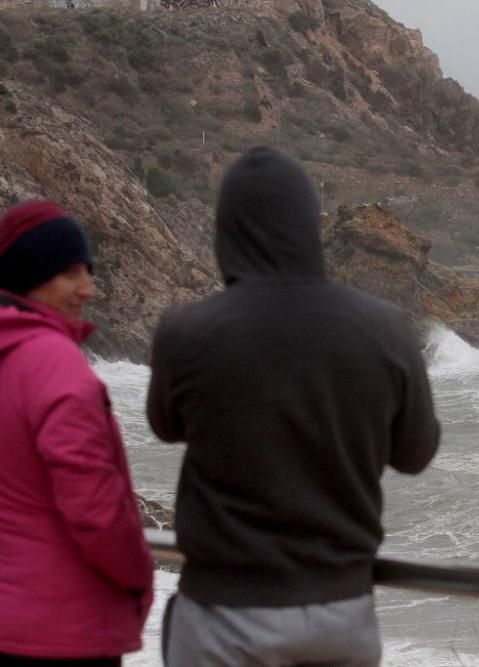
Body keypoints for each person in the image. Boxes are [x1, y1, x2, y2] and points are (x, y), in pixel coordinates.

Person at [147, 146, 441, 666]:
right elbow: (415, 454)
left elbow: (165, 425)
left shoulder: (186, 331)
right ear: (310, 227)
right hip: (339, 614)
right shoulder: (386, 328)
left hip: (223, 612)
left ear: (226, 233)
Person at [0, 200, 154, 665]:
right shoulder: (55, 363)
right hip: (62, 630)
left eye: (88, 272)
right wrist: (140, 574)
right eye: (70, 274)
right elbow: (94, 508)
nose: (88, 289)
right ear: (31, 275)